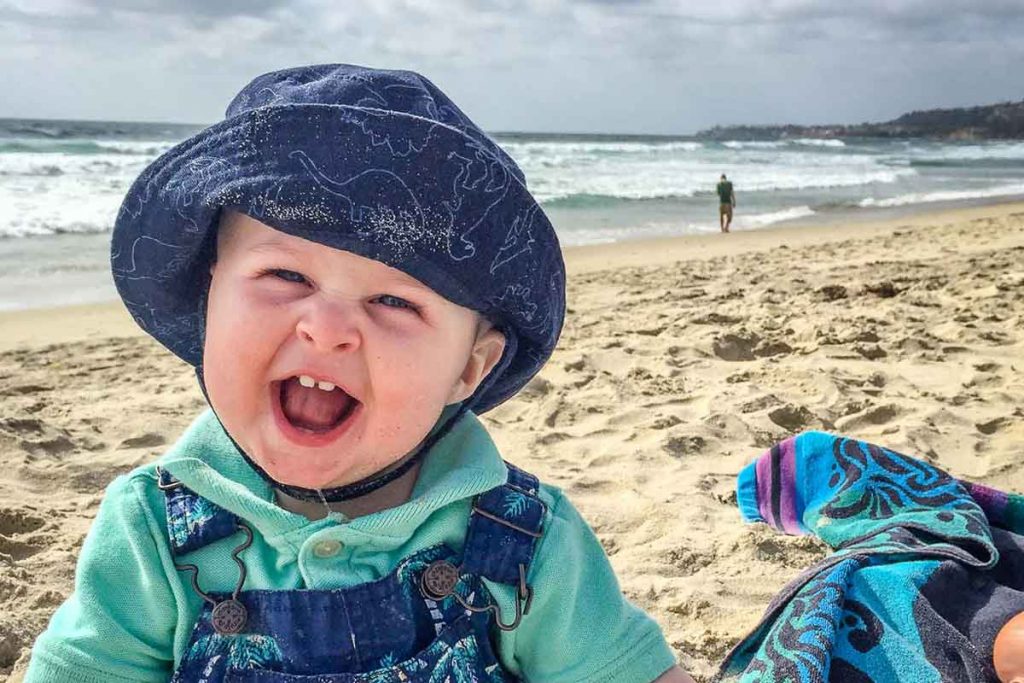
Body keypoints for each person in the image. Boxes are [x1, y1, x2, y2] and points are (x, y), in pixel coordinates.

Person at [25, 65, 693, 682]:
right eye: (285, 274)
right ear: (209, 303)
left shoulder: (525, 541)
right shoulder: (153, 535)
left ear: (470, 366)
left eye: (395, 301)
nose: (328, 327)